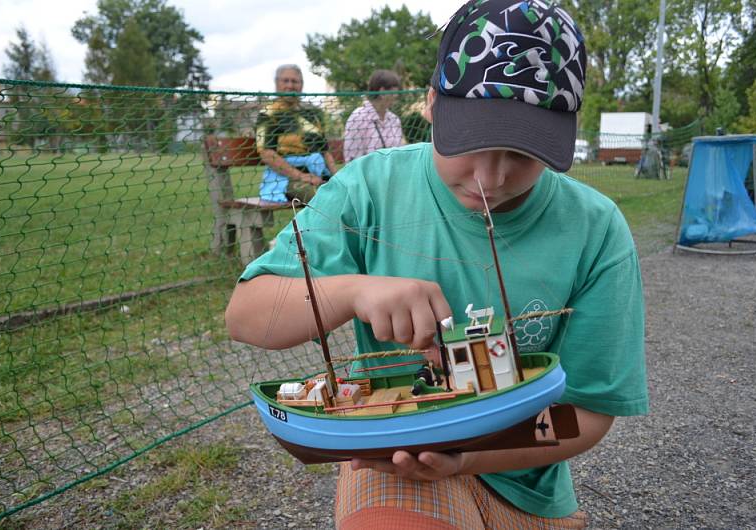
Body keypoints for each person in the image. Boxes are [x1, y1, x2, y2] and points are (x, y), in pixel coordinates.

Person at [226, 1, 648, 528]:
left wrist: (471, 456)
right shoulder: (368, 189)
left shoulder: (596, 229)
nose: (490, 179)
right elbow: (245, 316)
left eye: (522, 154)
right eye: (470, 144)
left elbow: (587, 412)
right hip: (393, 460)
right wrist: (353, 292)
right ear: (431, 103)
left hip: (525, 479)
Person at [256, 64, 338, 203]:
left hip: (319, 175)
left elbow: (324, 152)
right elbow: (267, 154)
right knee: (325, 200)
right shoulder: (268, 114)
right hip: (287, 179)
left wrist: (337, 177)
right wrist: (301, 176)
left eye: (294, 81)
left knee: (350, 194)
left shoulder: (312, 115)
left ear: (301, 85)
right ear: (277, 84)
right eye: (285, 81)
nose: (290, 85)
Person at [343, 69, 405, 163]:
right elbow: (352, 159)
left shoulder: (394, 120)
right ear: (382, 92)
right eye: (393, 93)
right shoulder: (358, 118)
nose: (396, 96)